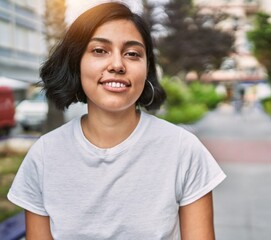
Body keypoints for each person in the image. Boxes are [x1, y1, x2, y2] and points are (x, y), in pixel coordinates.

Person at [7, 2, 226, 239]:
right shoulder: (44, 156)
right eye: (100, 50)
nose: (117, 65)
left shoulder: (183, 150)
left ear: (147, 69)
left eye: (132, 54)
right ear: (76, 62)